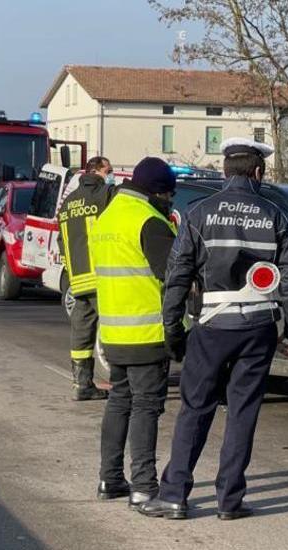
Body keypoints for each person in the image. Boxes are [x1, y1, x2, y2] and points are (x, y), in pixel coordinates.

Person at [140, 138, 288, 521]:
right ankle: (230, 501)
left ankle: (174, 496)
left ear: (224, 172)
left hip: (212, 326)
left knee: (195, 409)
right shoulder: (274, 216)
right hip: (259, 326)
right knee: (243, 412)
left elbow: (177, 274)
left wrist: (172, 328)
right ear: (259, 173)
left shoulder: (200, 213)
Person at [91, 157, 178, 508]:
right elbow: (174, 278)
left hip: (113, 331)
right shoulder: (150, 221)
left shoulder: (108, 217)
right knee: (145, 408)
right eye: (169, 195)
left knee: (119, 403)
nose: (170, 201)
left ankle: (109, 479)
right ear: (157, 191)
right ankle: (144, 486)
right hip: (146, 333)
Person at [58, 156, 116, 401]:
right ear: (96, 171)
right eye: (109, 170)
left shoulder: (68, 202)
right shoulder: (105, 194)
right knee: (115, 329)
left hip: (78, 278)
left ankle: (82, 384)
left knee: (82, 331)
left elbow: (62, 240)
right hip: (102, 275)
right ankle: (124, 381)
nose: (111, 174)